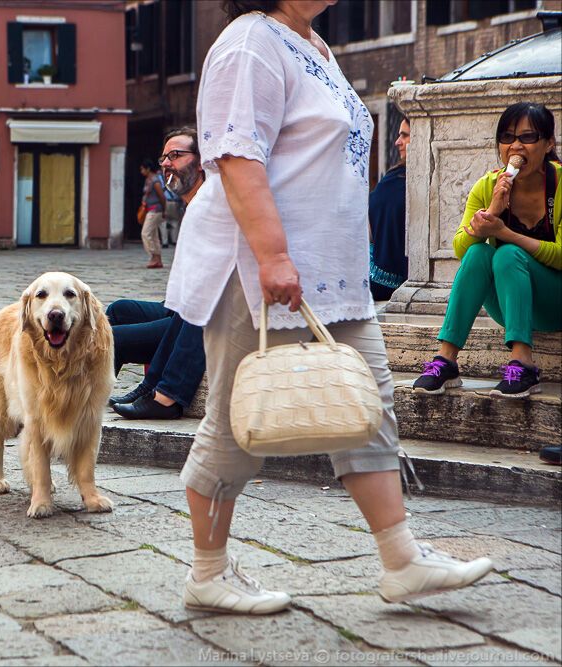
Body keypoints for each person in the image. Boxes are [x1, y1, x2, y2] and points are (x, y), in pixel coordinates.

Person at [164, 0, 494, 615]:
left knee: (368, 402)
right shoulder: (248, 42)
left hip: (330, 272)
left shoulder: (311, 44)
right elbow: (236, 156)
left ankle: (401, 560)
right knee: (239, 423)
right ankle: (207, 574)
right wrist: (272, 254)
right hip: (260, 266)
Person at [413, 103, 560, 400]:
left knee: (507, 253)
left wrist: (505, 234)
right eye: (507, 137)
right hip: (511, 306)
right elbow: (460, 248)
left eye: (528, 137)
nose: (516, 145)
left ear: (548, 145)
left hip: (555, 301)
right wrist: (492, 211)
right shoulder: (488, 185)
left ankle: (523, 364)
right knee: (479, 253)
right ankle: (446, 359)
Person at [108, 128, 206, 420]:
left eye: (175, 156)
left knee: (111, 338)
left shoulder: (211, 206)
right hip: (176, 309)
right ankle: (107, 394)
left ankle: (87, 402)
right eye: (164, 157)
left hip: (194, 316)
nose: (166, 163)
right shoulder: (192, 207)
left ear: (201, 163)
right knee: (120, 309)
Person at [369, 117, 411, 301]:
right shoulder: (395, 176)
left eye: (405, 135)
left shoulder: (402, 179)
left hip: (385, 279)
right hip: (376, 267)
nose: (397, 142)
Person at [139, 158, 166, 268]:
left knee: (145, 233)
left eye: (142, 169)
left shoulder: (155, 181)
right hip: (150, 209)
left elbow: (162, 197)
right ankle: (157, 259)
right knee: (154, 235)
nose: (141, 171)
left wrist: (164, 210)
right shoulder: (148, 180)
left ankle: (153, 255)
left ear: (148, 169)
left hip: (156, 210)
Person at [161, 180, 184, 248]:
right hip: (176, 202)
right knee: (175, 222)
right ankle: (174, 241)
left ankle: (165, 242)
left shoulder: (159, 178)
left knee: (163, 222)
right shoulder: (177, 177)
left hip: (165, 201)